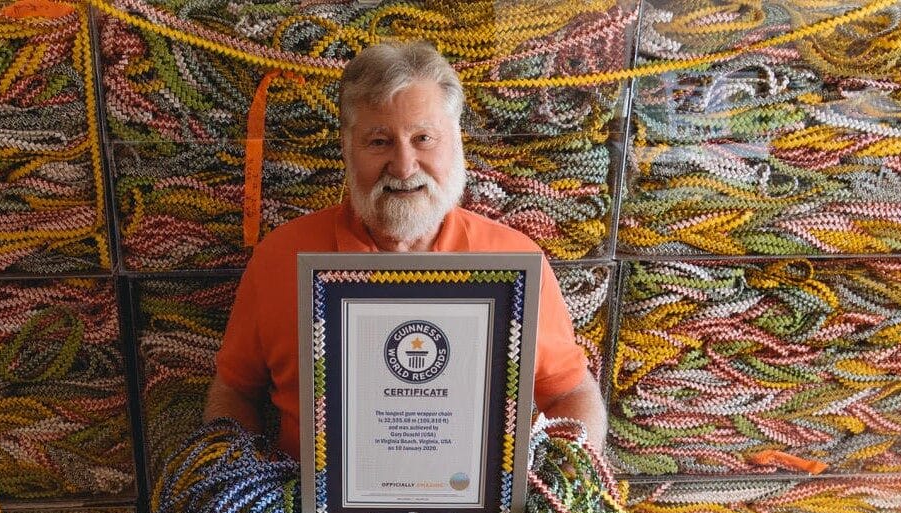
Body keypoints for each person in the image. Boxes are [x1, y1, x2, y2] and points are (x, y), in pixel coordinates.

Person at [206, 40, 606, 461]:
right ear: (347, 149)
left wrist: (569, 484)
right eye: (379, 142)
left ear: (456, 142)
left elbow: (571, 393)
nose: (404, 166)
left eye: (423, 138)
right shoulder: (280, 258)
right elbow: (233, 392)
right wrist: (240, 488)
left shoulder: (514, 261)